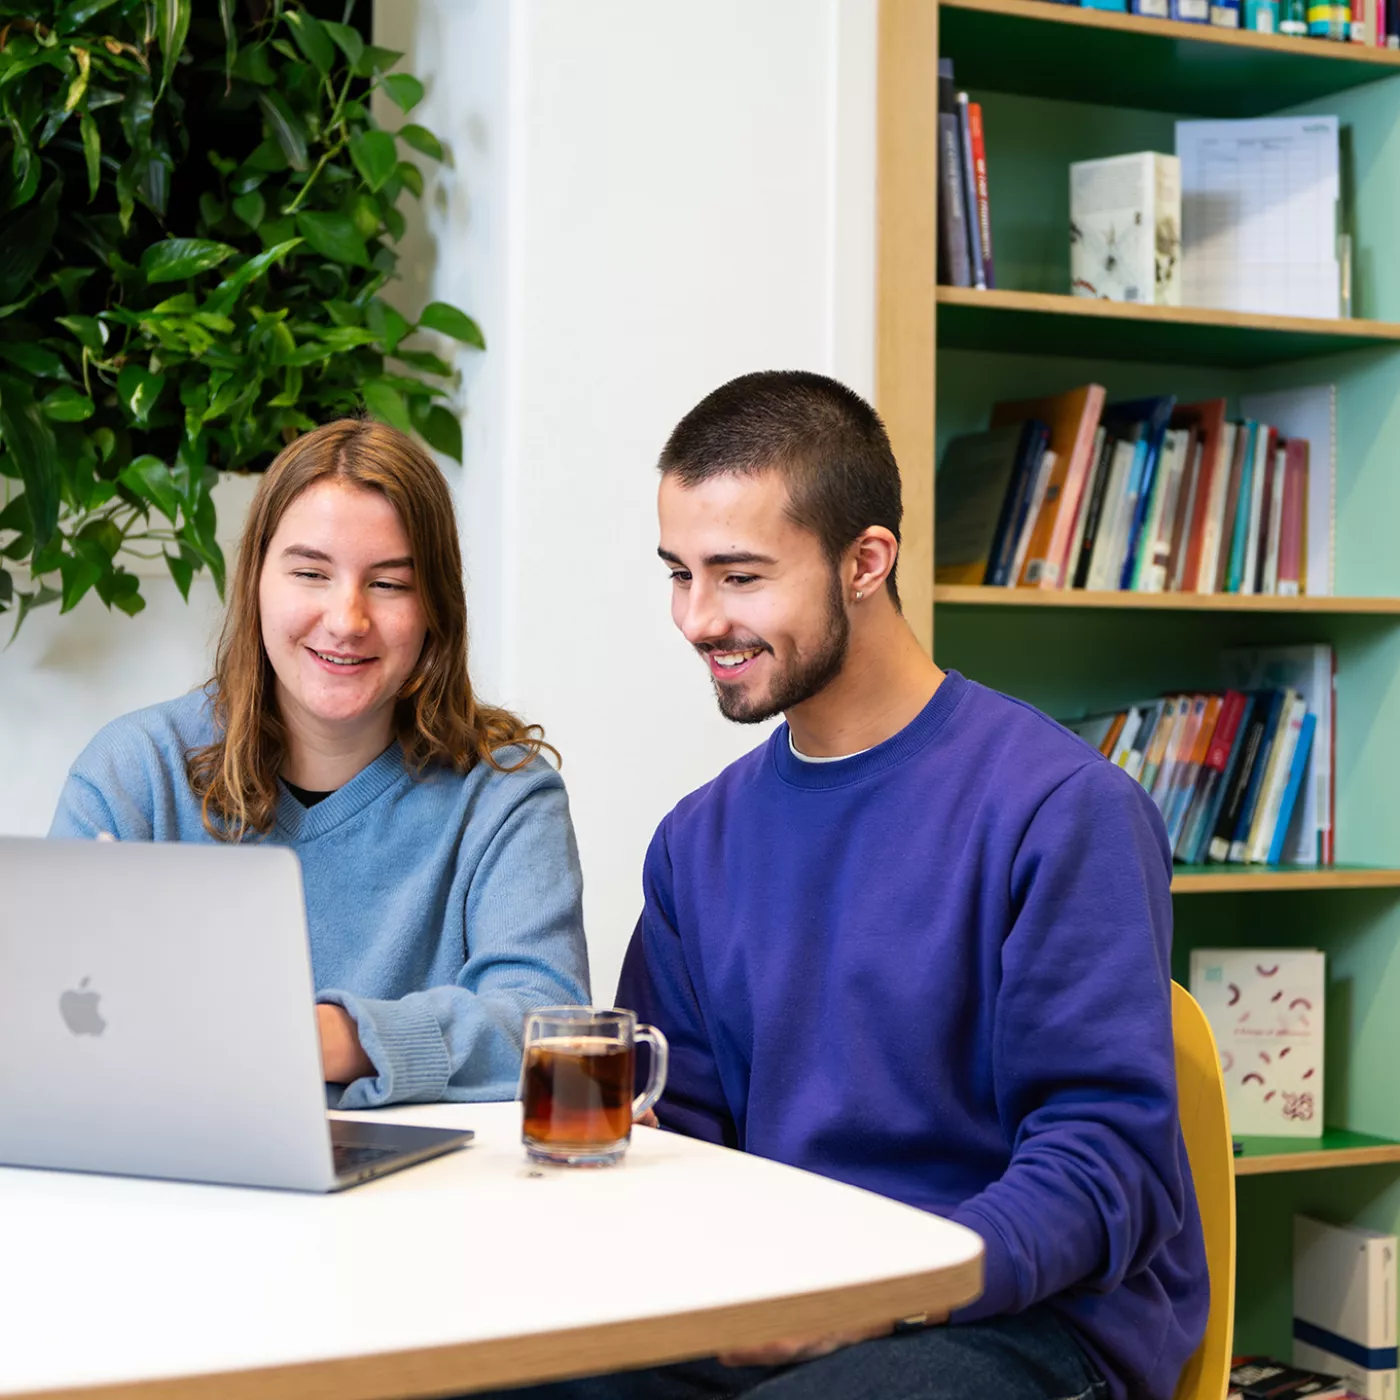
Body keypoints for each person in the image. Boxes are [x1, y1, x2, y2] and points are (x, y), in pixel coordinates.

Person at [502, 371, 1207, 1400]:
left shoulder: (1062, 809)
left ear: (864, 560)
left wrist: (876, 1291)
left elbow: (1111, 1166)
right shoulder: (698, 839)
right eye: (678, 573)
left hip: (1018, 1317)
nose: (696, 619)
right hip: (776, 1301)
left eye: (738, 576)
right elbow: (683, 1124)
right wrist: (643, 1165)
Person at [49, 418, 590, 1108]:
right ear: (255, 584)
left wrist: (329, 1037)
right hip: (173, 1182)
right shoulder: (134, 771)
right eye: (310, 573)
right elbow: (49, 1020)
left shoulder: (504, 795)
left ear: (436, 608)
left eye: (389, 584)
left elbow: (551, 1029)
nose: (346, 619)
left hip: (429, 1201)